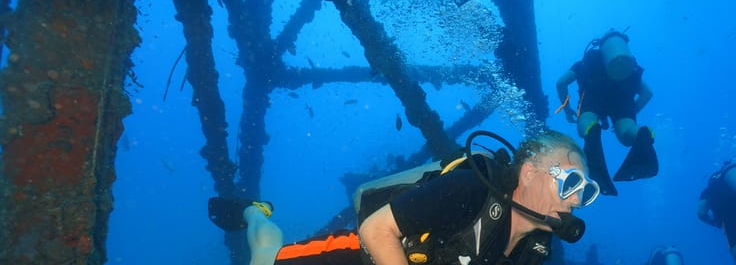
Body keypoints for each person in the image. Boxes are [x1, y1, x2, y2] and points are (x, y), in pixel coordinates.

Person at [209, 130, 601, 265]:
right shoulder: (471, 190)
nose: (574, 201)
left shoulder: (536, 247)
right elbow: (376, 229)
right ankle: (254, 212)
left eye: (585, 192)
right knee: (263, 257)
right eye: (569, 183)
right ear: (529, 172)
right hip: (357, 256)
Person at [555, 28, 656, 196]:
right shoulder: (629, 69)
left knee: (586, 124)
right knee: (627, 134)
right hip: (622, 99)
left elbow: (561, 82)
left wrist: (567, 110)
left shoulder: (588, 62)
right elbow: (648, 93)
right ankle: (642, 133)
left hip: (593, 97)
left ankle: (592, 131)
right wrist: (631, 113)